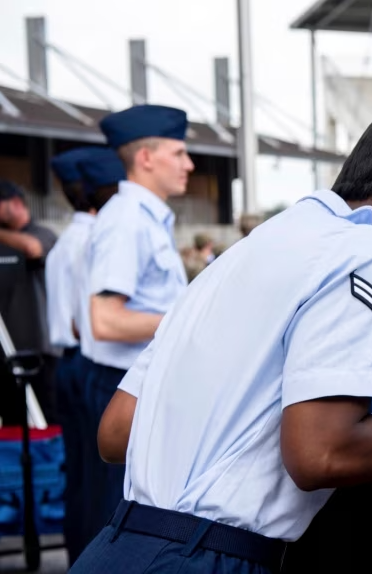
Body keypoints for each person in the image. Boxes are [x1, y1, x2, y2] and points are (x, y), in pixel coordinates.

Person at [70, 75, 372, 574]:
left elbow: (118, 431)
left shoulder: (250, 250)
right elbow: (320, 453)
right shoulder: (365, 247)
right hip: (205, 559)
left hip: (118, 544)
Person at [77, 104, 193, 545]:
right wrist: (188, 321)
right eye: (179, 153)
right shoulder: (127, 220)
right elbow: (105, 319)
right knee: (120, 520)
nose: (189, 164)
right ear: (146, 158)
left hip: (133, 382)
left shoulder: (144, 218)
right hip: (120, 386)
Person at [44, 146, 124, 563]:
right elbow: (89, 319)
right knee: (107, 484)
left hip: (65, 363)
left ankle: (80, 560)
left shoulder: (64, 243)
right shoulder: (98, 239)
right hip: (93, 360)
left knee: (78, 478)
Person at [0, 179, 59, 419]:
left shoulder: (42, 234)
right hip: (7, 349)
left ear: (15, 203)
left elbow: (33, 249)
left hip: (40, 351)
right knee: (13, 419)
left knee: (44, 418)